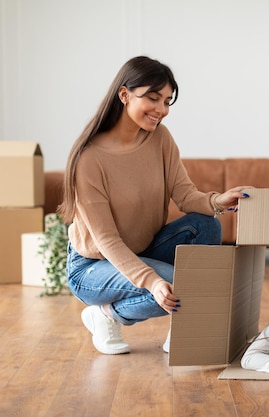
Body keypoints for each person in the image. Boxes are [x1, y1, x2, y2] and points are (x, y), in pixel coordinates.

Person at [59, 56, 251, 355]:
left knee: (206, 223)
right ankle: (103, 314)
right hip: (93, 266)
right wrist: (152, 281)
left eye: (167, 101)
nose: (162, 110)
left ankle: (171, 322)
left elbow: (185, 195)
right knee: (185, 285)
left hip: (142, 248)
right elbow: (107, 240)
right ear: (124, 95)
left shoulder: (159, 138)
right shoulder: (89, 159)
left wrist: (218, 201)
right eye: (153, 98)